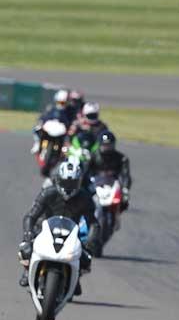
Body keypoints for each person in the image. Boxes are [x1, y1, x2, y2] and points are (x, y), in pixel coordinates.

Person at [18, 158, 100, 296]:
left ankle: (76, 277)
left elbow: (93, 223)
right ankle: (27, 270)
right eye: (66, 182)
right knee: (26, 248)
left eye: (72, 182)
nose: (68, 186)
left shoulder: (85, 198)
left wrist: (90, 243)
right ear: (59, 179)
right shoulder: (48, 193)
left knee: (86, 259)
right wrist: (28, 234)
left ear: (79, 182)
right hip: (44, 228)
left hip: (72, 232)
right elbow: (30, 216)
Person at [88, 131, 132, 211]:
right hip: (96, 184)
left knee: (124, 201)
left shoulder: (121, 158)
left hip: (113, 185)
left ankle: (115, 216)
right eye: (104, 146)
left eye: (109, 146)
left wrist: (125, 189)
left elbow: (126, 175)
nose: (107, 148)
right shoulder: (93, 156)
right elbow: (86, 173)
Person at [30, 89, 70, 153]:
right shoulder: (51, 108)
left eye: (63, 103)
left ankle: (63, 150)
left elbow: (68, 122)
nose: (61, 104)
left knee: (68, 137)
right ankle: (37, 144)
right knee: (37, 129)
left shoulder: (68, 112)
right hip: (48, 128)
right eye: (59, 102)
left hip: (60, 131)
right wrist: (41, 121)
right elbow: (43, 117)